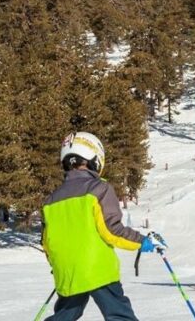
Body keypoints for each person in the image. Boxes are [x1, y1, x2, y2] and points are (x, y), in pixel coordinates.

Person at [42, 132, 164, 321]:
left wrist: (60, 264)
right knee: (118, 313)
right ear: (94, 158)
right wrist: (143, 241)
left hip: (67, 271)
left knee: (66, 314)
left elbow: (47, 242)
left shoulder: (50, 200)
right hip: (97, 268)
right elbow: (111, 230)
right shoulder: (98, 189)